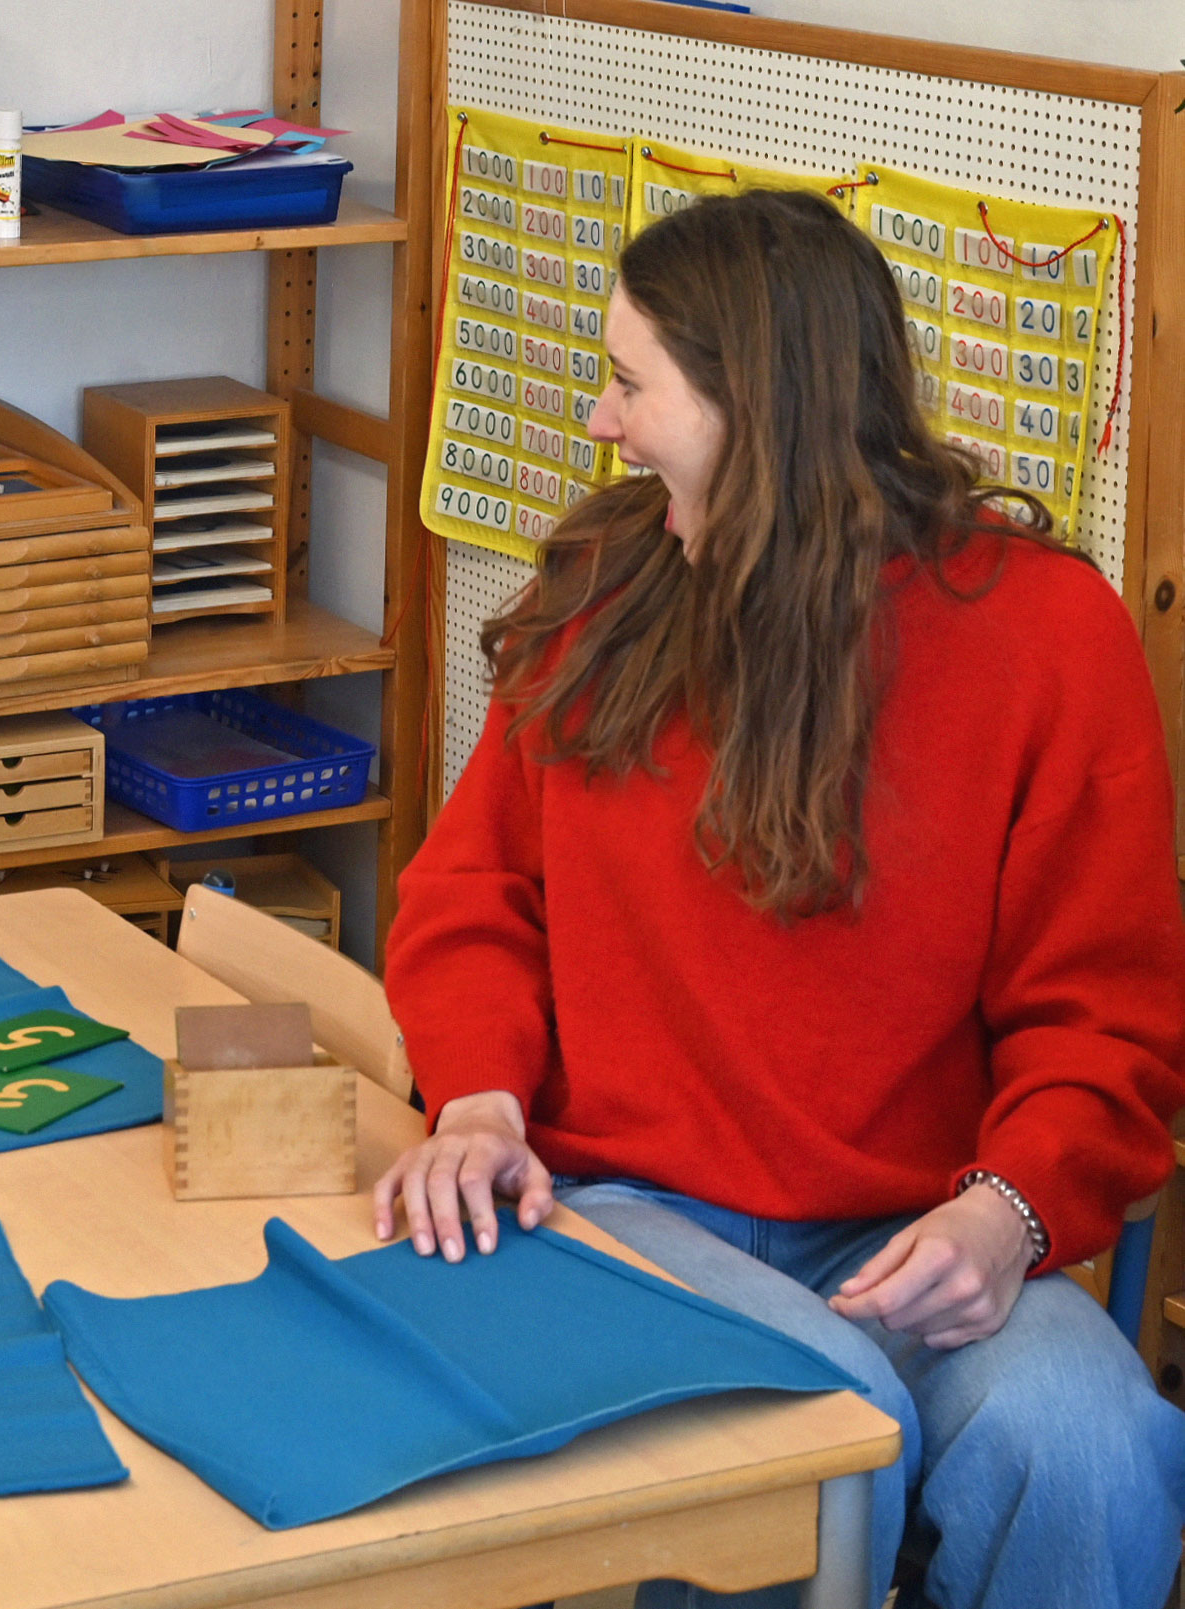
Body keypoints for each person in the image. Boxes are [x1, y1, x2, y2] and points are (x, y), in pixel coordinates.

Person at [377, 189, 1185, 1609]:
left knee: (1093, 1446)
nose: (602, 424)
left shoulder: (1050, 635)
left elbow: (1104, 1021)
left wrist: (1005, 1215)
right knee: (815, 1434)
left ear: (756, 410)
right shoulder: (602, 589)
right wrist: (481, 1100)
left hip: (923, 1231)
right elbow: (474, 895)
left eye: (631, 385)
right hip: (623, 1213)